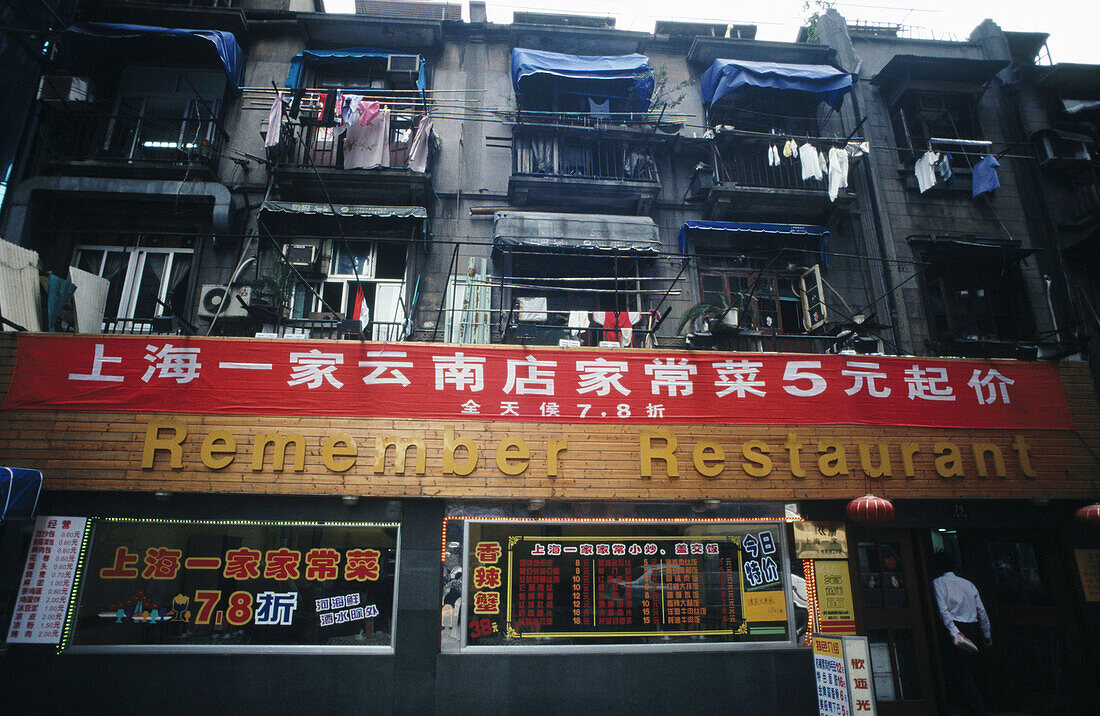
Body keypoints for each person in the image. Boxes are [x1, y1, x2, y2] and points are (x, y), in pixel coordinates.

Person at [932, 551, 991, 715]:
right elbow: (981, 611)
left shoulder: (939, 583)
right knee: (976, 667)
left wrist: (954, 631)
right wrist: (987, 634)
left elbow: (943, 611)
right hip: (974, 627)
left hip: (957, 628)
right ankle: (983, 704)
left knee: (961, 670)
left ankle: (975, 707)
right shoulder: (968, 583)